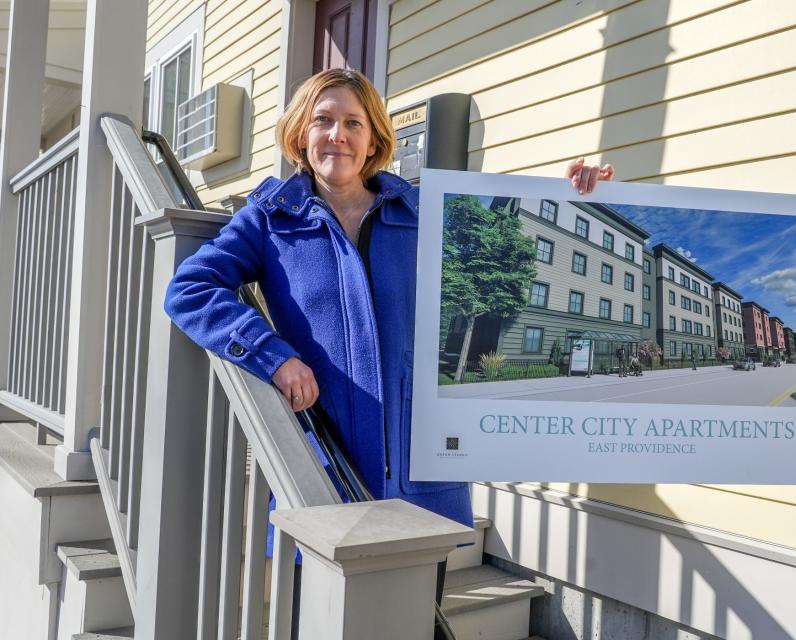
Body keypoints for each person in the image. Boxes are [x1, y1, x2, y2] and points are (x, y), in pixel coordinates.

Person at [164, 68, 614, 627]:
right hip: (327, 470)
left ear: (374, 139)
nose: (337, 135)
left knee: (413, 624)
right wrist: (272, 354)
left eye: (353, 122)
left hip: (421, 471)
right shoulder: (270, 219)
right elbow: (188, 289)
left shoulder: (423, 211)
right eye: (322, 120)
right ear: (302, 133)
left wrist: (571, 195)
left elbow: (516, 237)